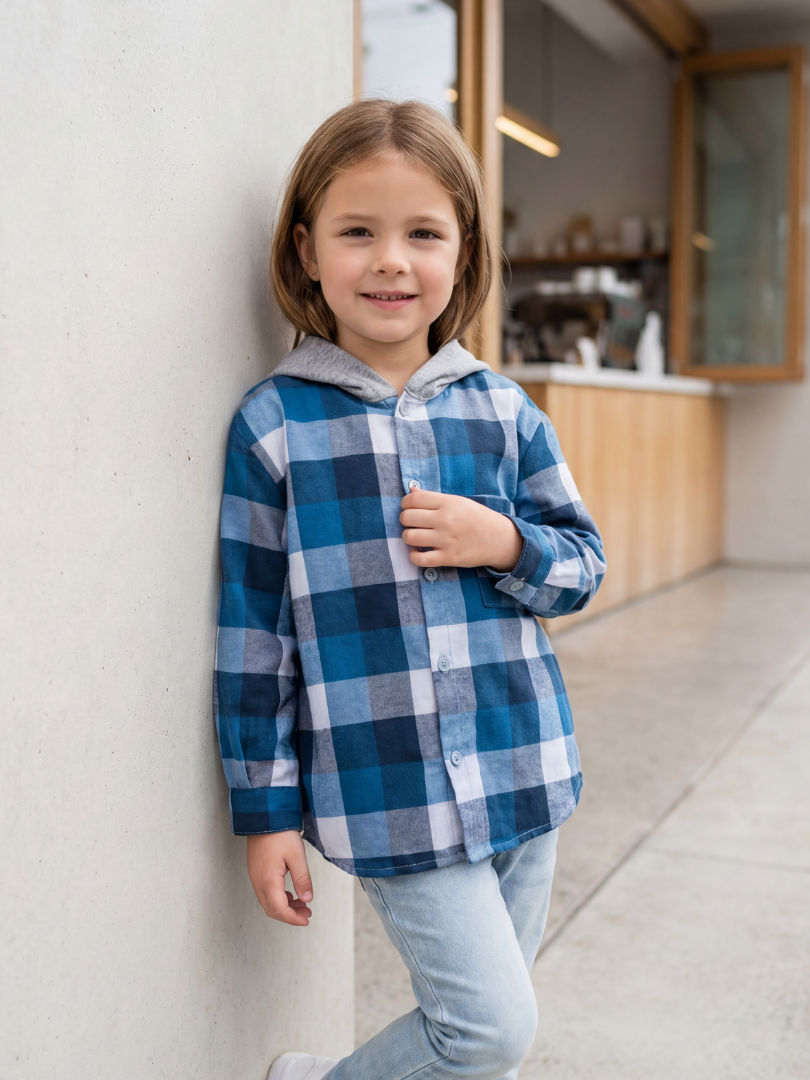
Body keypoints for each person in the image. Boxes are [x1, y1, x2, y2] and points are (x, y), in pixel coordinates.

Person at [214, 98, 605, 1080]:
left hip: (524, 762)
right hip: (389, 790)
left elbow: (581, 566)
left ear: (463, 254)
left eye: (422, 233)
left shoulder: (504, 413)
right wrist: (264, 815)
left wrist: (502, 541)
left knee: (490, 1042)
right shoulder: (274, 430)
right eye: (358, 232)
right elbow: (252, 644)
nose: (391, 260)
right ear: (307, 251)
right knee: (487, 1034)